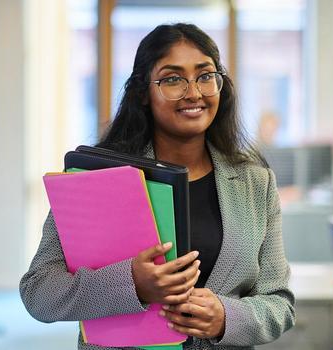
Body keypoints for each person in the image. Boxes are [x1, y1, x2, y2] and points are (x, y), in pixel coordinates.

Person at [20, 23, 295, 349]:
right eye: (173, 79)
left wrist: (226, 316)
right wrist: (132, 284)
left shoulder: (255, 183)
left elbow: (279, 302)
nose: (194, 92)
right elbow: (38, 292)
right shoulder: (95, 180)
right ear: (143, 94)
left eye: (206, 75)